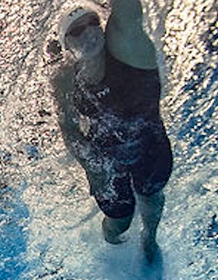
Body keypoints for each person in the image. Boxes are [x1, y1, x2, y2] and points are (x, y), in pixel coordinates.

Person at [50, 0, 173, 264]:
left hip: (150, 146)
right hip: (105, 157)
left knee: (151, 196)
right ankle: (114, 247)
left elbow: (128, 10)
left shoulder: (127, 46)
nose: (88, 32)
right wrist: (93, 167)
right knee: (119, 221)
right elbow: (68, 129)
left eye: (92, 23)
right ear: (67, 46)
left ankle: (150, 237)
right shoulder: (65, 79)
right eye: (77, 30)